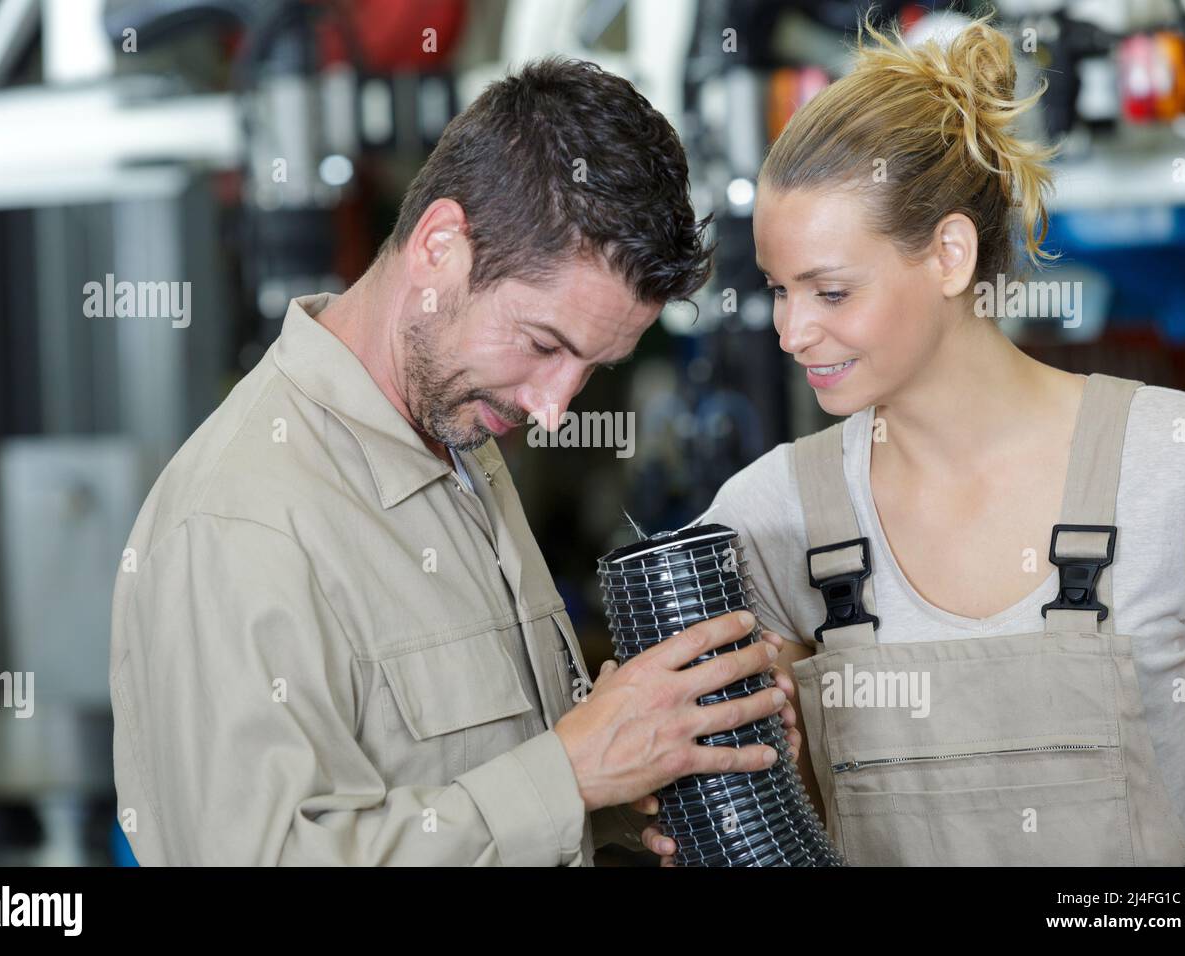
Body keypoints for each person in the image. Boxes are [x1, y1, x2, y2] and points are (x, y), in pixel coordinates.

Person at [110, 56, 802, 866]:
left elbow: (470, 790)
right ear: (441, 245)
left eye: (589, 368)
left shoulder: (459, 444)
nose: (554, 408)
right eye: (544, 343)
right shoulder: (237, 522)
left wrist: (656, 766)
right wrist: (570, 772)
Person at [642, 15, 1185, 865]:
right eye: (778, 290)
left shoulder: (1178, 461)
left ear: (951, 255)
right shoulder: (769, 517)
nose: (791, 331)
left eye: (831, 292)